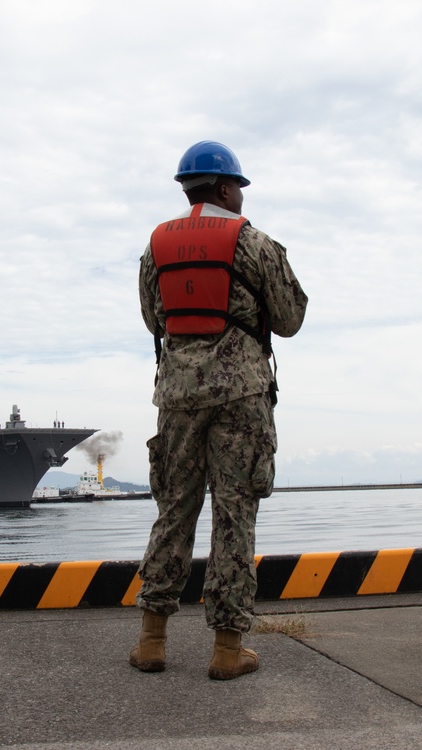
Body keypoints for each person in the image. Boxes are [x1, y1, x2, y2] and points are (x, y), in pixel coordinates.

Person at [130, 141, 308, 680]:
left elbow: (151, 317)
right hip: (240, 397)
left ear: (189, 188)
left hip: (178, 396)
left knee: (174, 511)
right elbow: (290, 317)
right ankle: (228, 650)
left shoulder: (156, 246)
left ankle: (152, 641)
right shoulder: (254, 242)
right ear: (227, 188)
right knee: (235, 515)